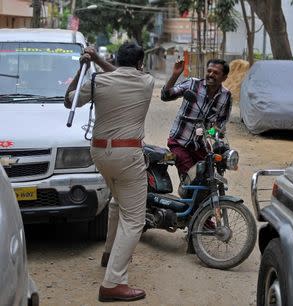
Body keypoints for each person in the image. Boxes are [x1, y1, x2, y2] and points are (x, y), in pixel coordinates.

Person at [64, 41, 154, 302]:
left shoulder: (97, 82)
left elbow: (68, 100)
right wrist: (97, 60)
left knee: (117, 202)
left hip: (100, 153)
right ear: (140, 64)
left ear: (116, 58)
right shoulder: (146, 81)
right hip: (128, 156)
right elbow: (122, 72)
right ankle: (113, 282)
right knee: (135, 219)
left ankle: (108, 253)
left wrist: (82, 67)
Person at [161, 57, 232, 185]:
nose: (211, 74)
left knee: (208, 179)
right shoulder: (193, 84)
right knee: (192, 180)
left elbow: (220, 125)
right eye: (209, 71)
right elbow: (165, 96)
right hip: (179, 141)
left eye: (216, 73)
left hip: (201, 145)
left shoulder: (226, 96)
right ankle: (188, 200)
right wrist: (175, 75)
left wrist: (210, 132)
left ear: (224, 77)